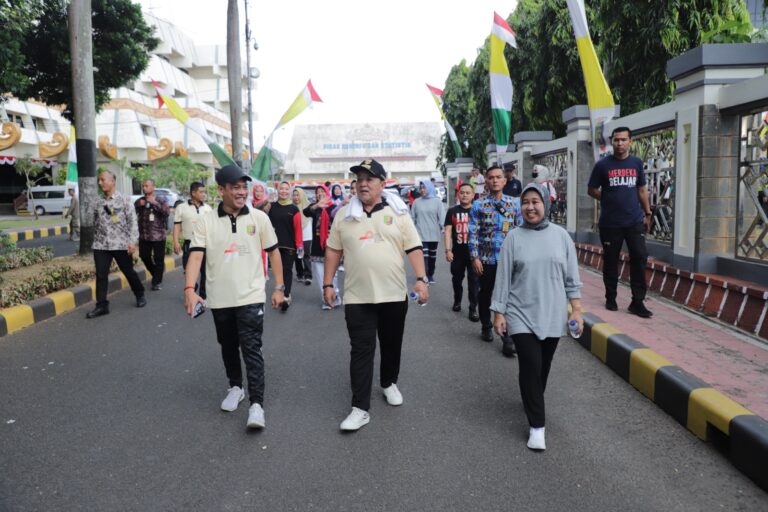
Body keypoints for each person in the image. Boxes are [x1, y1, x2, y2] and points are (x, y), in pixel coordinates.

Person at [324, 159, 428, 431]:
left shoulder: (399, 213)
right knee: (361, 350)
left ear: (383, 183)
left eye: (369, 179)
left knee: (391, 344)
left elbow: (414, 247)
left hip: (394, 295)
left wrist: (420, 279)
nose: (363, 183)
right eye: (359, 178)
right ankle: (360, 407)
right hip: (358, 297)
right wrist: (327, 284)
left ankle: (388, 382)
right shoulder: (343, 215)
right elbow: (333, 250)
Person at [184, 164, 285, 430]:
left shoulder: (259, 218)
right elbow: (196, 254)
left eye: (244, 187)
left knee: (251, 347)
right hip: (219, 298)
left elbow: (274, 252)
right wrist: (190, 290)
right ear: (222, 190)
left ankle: (257, 405)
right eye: (236, 187)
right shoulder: (206, 220)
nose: (242, 192)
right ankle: (235, 387)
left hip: (251, 295)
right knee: (228, 345)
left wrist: (278, 287)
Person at [491, 183, 583, 451]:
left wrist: (576, 309)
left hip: (552, 313)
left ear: (546, 203)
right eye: (525, 202)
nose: (530, 207)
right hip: (521, 313)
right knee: (530, 365)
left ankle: (532, 398)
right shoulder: (513, 238)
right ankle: (537, 426)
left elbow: (572, 279)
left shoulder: (562, 237)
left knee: (542, 367)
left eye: (535, 202)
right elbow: (503, 278)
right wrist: (499, 312)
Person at [587, 126, 653, 318]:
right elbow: (591, 189)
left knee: (640, 257)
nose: (619, 143)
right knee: (610, 261)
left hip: (634, 221)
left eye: (623, 140)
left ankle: (637, 301)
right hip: (610, 223)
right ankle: (611, 297)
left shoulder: (636, 163)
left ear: (630, 141)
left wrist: (648, 213)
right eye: (616, 140)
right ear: (612, 142)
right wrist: (607, 198)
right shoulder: (603, 165)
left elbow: (642, 190)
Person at [468, 166, 521, 357]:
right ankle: (486, 325)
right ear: (486, 182)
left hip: (510, 260)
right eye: (491, 178)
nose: (495, 181)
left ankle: (508, 337)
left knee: (510, 296)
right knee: (486, 293)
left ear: (504, 181)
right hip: (487, 259)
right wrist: (475, 257)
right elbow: (472, 232)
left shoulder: (515, 204)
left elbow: (522, 232)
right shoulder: (478, 205)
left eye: (499, 177)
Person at [86, 170, 146, 318]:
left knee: (128, 272)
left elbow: (133, 222)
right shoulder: (97, 202)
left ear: (112, 181)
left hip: (121, 244)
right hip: (101, 245)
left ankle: (139, 294)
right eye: (99, 180)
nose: (100, 183)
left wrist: (132, 242)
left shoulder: (124, 200)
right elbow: (94, 221)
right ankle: (101, 306)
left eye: (103, 180)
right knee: (101, 276)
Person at [303, 184, 342, 309]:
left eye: (322, 192)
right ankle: (325, 300)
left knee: (333, 275)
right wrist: (316, 205)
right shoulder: (314, 208)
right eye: (318, 192)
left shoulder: (333, 208)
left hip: (331, 247)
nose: (320, 194)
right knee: (320, 276)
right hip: (317, 248)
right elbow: (305, 212)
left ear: (327, 193)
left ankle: (335, 296)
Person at [444, 183, 479, 321]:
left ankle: (473, 308)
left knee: (474, 282)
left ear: (473, 195)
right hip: (457, 253)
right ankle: (457, 300)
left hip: (474, 254)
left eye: (468, 193)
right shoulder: (452, 211)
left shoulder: (477, 210)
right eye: (462, 192)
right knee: (457, 280)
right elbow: (447, 231)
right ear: (458, 194)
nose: (464, 195)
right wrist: (447, 250)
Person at [267, 181, 304, 311]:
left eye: (286, 189)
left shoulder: (294, 209)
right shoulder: (271, 207)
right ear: (277, 190)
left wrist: (300, 246)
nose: (283, 191)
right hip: (274, 246)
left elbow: (298, 229)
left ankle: (286, 295)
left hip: (290, 246)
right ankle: (279, 291)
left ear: (289, 191)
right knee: (278, 271)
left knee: (287, 271)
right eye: (281, 189)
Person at [173, 181, 212, 298]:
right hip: (189, 243)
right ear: (193, 193)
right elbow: (177, 226)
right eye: (201, 192)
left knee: (206, 271)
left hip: (205, 243)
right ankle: (192, 293)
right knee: (188, 270)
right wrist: (175, 241)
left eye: (204, 192)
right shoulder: (181, 208)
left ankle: (204, 296)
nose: (203, 194)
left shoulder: (208, 208)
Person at [134, 179, 170, 291]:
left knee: (159, 259)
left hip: (158, 236)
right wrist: (139, 205)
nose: (144, 188)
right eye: (143, 186)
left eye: (146, 186)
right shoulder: (140, 200)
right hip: (144, 236)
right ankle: (156, 274)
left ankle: (156, 282)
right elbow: (132, 210)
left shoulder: (161, 199)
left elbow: (166, 212)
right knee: (144, 256)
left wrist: (154, 202)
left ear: (153, 187)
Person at [411, 179, 445, 284]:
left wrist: (444, 228)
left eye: (424, 187)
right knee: (424, 256)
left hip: (434, 234)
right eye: (420, 188)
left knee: (432, 257)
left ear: (429, 188)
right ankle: (424, 276)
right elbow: (412, 218)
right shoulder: (416, 202)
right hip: (420, 234)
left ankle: (430, 274)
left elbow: (442, 217)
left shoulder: (437, 202)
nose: (421, 190)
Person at [292, 187, 313, 285]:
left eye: (298, 195)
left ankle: (308, 275)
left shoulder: (308, 206)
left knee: (306, 255)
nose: (296, 197)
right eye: (294, 195)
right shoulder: (292, 207)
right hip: (296, 235)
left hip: (307, 235)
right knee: (298, 255)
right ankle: (300, 274)